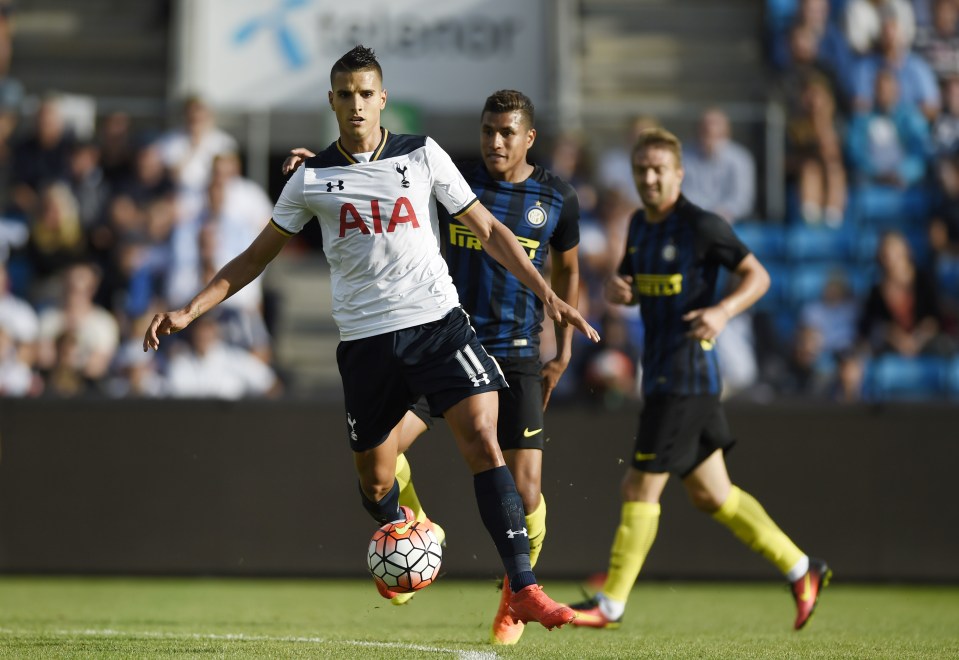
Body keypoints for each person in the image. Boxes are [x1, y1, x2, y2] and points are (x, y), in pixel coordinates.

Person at [143, 45, 598, 632]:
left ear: (383, 99)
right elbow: (255, 257)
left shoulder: (423, 154)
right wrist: (189, 310)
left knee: (483, 436)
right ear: (331, 101)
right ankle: (413, 528)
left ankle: (524, 589)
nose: (357, 104)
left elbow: (487, 229)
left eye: (366, 94)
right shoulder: (311, 178)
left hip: (438, 324)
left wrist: (547, 293)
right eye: (345, 94)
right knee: (375, 479)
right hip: (366, 344)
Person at [284, 88, 584, 646]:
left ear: (529, 138)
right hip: (443, 339)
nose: (495, 141)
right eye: (487, 129)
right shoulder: (449, 172)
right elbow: (379, 187)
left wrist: (561, 345)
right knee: (383, 454)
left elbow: (567, 274)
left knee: (528, 490)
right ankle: (413, 533)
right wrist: (320, 167)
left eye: (507, 133)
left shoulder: (557, 197)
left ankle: (512, 595)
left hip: (516, 348)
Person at [567, 127, 830, 631]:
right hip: (667, 375)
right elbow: (635, 289)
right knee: (713, 494)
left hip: (687, 377)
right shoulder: (641, 226)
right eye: (642, 169)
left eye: (658, 169)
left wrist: (724, 311)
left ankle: (610, 604)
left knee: (638, 487)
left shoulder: (701, 226)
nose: (648, 177)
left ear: (678, 174)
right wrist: (623, 292)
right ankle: (802, 568)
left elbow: (759, 276)